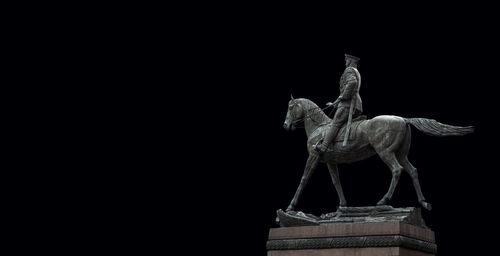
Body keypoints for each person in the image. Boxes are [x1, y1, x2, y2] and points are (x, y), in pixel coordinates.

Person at [314, 54, 363, 153]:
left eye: (346, 60)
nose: (345, 62)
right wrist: (335, 104)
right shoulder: (356, 71)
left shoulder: (349, 70)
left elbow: (352, 83)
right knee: (340, 125)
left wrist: (343, 96)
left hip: (349, 104)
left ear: (349, 60)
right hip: (355, 104)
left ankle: (324, 146)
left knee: (335, 124)